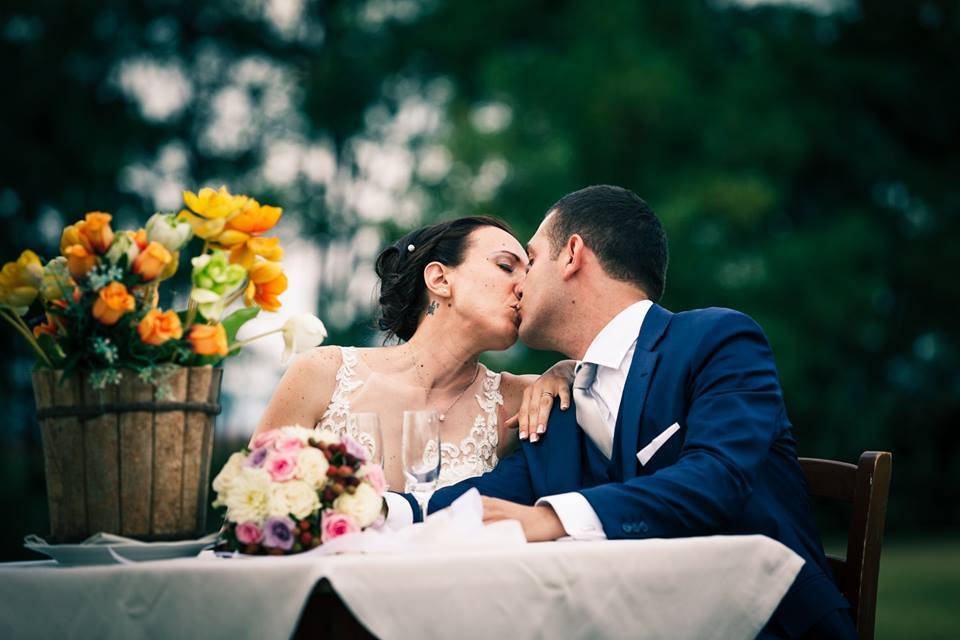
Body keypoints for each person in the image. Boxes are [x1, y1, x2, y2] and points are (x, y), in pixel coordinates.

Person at [386, 186, 857, 639]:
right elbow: (482, 501)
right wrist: (371, 508)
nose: (518, 283)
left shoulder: (717, 340)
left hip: (768, 624)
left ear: (572, 254)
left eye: (530, 261)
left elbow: (718, 477)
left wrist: (552, 519)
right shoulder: (556, 404)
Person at [251, 215, 572, 492]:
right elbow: (249, 505)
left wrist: (568, 371)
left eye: (528, 274)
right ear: (440, 278)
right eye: (506, 266)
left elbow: (609, 389)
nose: (524, 287)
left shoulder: (521, 400)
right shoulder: (322, 373)